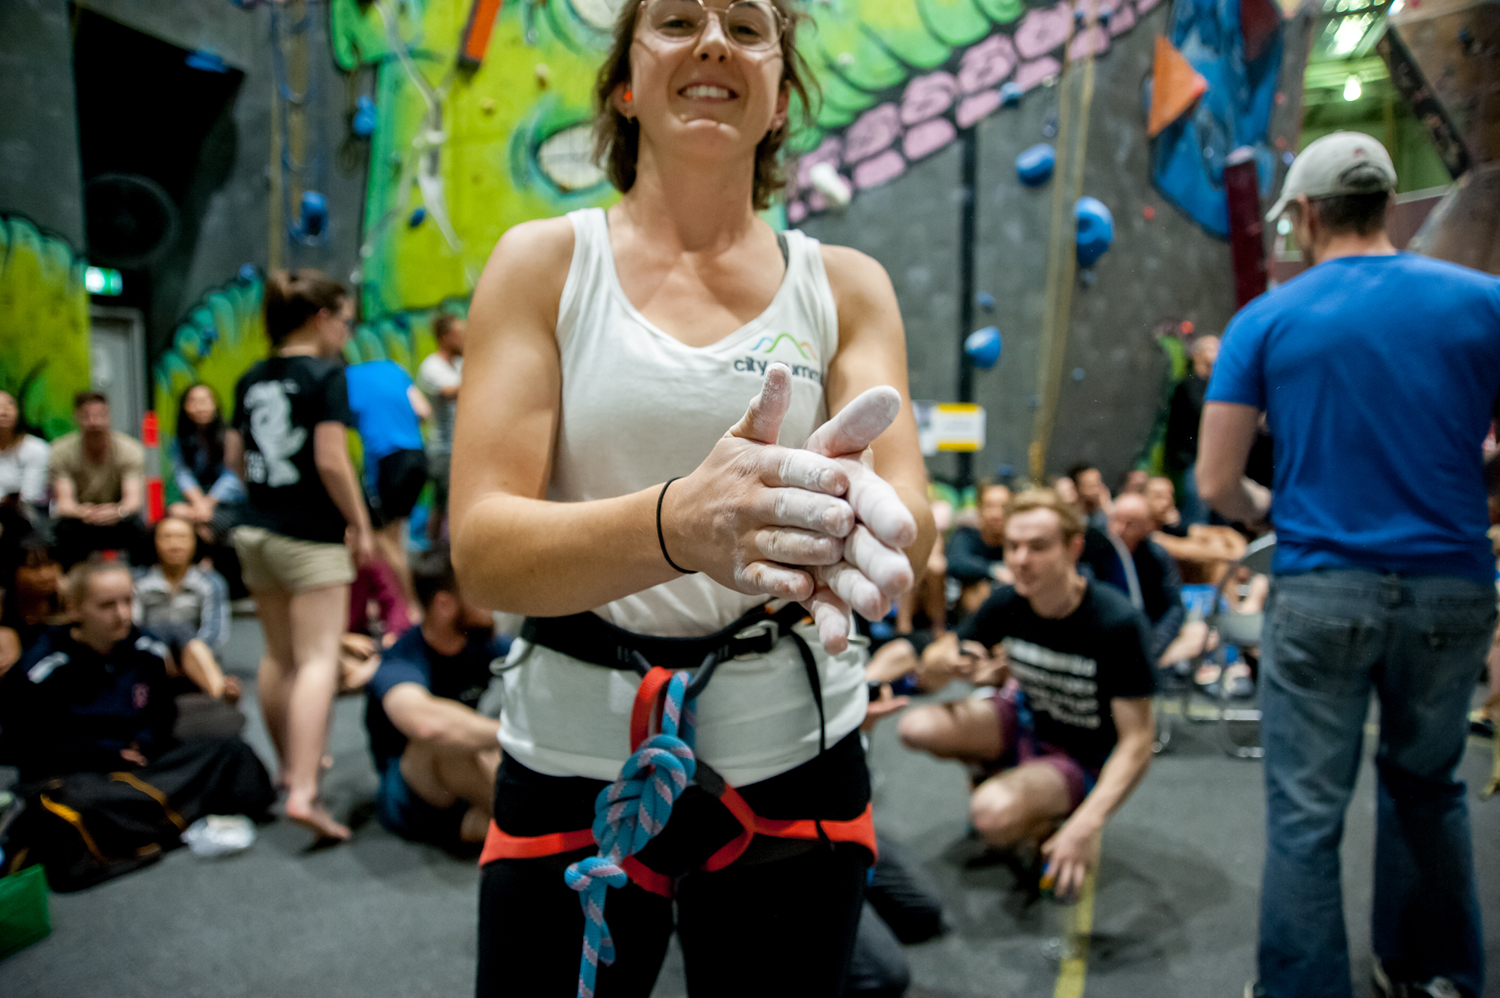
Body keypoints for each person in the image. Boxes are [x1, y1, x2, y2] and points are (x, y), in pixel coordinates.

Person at [451, 1, 935, 991]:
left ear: (779, 97)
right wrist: (682, 522)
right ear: (627, 82)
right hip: (575, 755)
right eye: (676, 18)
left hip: (794, 745)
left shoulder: (845, 285)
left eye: (748, 28)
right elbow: (484, 547)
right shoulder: (545, 265)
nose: (714, 41)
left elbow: (911, 508)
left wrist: (865, 516)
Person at [1196, 131, 1500, 998]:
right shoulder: (1487, 302)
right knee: (1430, 788)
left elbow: (1217, 480)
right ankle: (1431, 975)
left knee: (1306, 812)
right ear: (1383, 202)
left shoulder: (1268, 318)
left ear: (1308, 214)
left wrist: (1268, 507)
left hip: (1324, 585)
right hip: (1452, 586)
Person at [897, 489, 1155, 902]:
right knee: (916, 725)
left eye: (1037, 547)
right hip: (1024, 720)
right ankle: (1002, 775)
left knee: (991, 814)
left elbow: (1138, 743)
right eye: (1013, 546)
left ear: (1073, 548)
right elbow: (941, 657)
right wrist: (947, 661)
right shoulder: (1010, 601)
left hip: (1080, 755)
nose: (1019, 559)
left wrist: (1086, 825)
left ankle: (1049, 816)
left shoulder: (1116, 623)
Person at [225, 269, 375, 843]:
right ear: (321, 318)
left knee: (278, 657)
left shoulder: (249, 377)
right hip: (310, 537)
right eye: (345, 320)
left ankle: (291, 766)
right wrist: (358, 525)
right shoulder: (326, 375)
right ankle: (306, 792)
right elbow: (333, 461)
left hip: (255, 532)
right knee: (317, 661)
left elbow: (236, 459)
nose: (347, 330)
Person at [0, 560, 274, 871]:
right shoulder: (42, 666)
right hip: (79, 772)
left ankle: (149, 823)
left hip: (143, 762)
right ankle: (175, 817)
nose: (123, 615)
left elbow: (162, 714)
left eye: (128, 601)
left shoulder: (147, 648)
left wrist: (145, 740)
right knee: (69, 807)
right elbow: (18, 745)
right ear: (75, 609)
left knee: (230, 752)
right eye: (106, 605)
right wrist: (100, 751)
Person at [364, 549, 508, 849]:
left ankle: (496, 822)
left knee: (487, 741)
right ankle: (525, 823)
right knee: (445, 740)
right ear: (445, 604)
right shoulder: (400, 661)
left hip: (471, 779)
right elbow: (426, 725)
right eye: (479, 594)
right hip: (414, 792)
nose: (492, 604)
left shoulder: (485, 643)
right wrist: (514, 735)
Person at [346, 358, 431, 609]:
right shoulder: (393, 369)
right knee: (395, 536)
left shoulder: (342, 380)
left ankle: (409, 609)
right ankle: (397, 605)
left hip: (388, 460)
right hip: (417, 457)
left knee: (383, 539)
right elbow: (424, 411)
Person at [134, 515, 238, 703]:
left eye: (182, 538)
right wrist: (157, 649)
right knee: (159, 633)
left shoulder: (211, 582)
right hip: (152, 654)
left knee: (186, 635)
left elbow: (215, 632)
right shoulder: (139, 581)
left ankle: (219, 695)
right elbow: (133, 626)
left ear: (194, 543)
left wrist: (190, 655)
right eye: (167, 537)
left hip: (196, 655)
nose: (174, 545)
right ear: (154, 542)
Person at [1081, 492, 1184, 663]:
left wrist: (1156, 644)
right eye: (1115, 520)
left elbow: (1174, 607)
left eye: (1129, 523)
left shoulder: (1156, 556)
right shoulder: (1094, 555)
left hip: (1149, 635)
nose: (1119, 529)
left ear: (1146, 527)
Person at [48, 391, 148, 568]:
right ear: (76, 417)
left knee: (139, 528)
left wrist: (117, 511)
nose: (94, 422)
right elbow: (65, 503)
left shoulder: (130, 449)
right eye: (87, 416)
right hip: (80, 519)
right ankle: (71, 585)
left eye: (100, 415)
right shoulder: (61, 450)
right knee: (61, 530)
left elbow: (133, 502)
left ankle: (139, 579)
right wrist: (83, 512)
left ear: (109, 415)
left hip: (117, 517)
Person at [417, 314, 464, 547]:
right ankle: (437, 551)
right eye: (459, 335)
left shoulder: (459, 364)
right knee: (445, 504)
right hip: (443, 449)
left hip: (461, 447)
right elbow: (449, 392)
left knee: (445, 503)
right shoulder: (431, 366)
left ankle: (436, 551)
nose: (464, 339)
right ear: (446, 338)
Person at [1164, 334, 1220, 525]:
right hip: (1195, 463)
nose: (1218, 352)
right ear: (1196, 354)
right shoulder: (1188, 386)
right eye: (1211, 348)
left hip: (1220, 463)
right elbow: (1176, 426)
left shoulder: (1222, 386)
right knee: (1197, 519)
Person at [946, 481, 1013, 616]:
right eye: (990, 506)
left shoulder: (1020, 538)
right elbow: (956, 562)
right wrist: (993, 570)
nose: (996, 514)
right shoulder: (967, 533)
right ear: (980, 510)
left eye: (1003, 507)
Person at [0, 389, 49, 519]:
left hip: (27, 517)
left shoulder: (37, 448)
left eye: (9, 406)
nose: (4, 412)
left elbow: (30, 495)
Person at [1066, 462, 1110, 531]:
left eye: (1099, 484)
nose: (1097, 491)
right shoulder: (1071, 519)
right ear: (1076, 489)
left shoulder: (1104, 515)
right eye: (1091, 486)